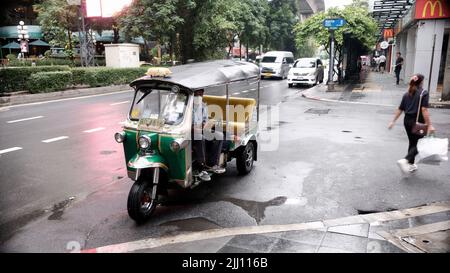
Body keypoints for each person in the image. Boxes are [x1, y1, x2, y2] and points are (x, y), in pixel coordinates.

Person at [388, 74, 435, 173]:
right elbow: (424, 110)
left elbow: (400, 109)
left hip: (407, 121)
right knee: (420, 144)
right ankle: (405, 160)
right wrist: (429, 125)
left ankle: (411, 164)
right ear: (421, 82)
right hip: (417, 123)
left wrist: (393, 121)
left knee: (413, 142)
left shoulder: (407, 93)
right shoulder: (423, 93)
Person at [192, 89, 225, 181]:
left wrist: (205, 125)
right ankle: (201, 167)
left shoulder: (203, 106)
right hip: (188, 132)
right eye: (198, 93)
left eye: (201, 93)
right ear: (193, 94)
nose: (200, 95)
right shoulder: (187, 106)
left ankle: (213, 164)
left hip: (200, 130)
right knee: (199, 137)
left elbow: (204, 121)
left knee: (219, 135)